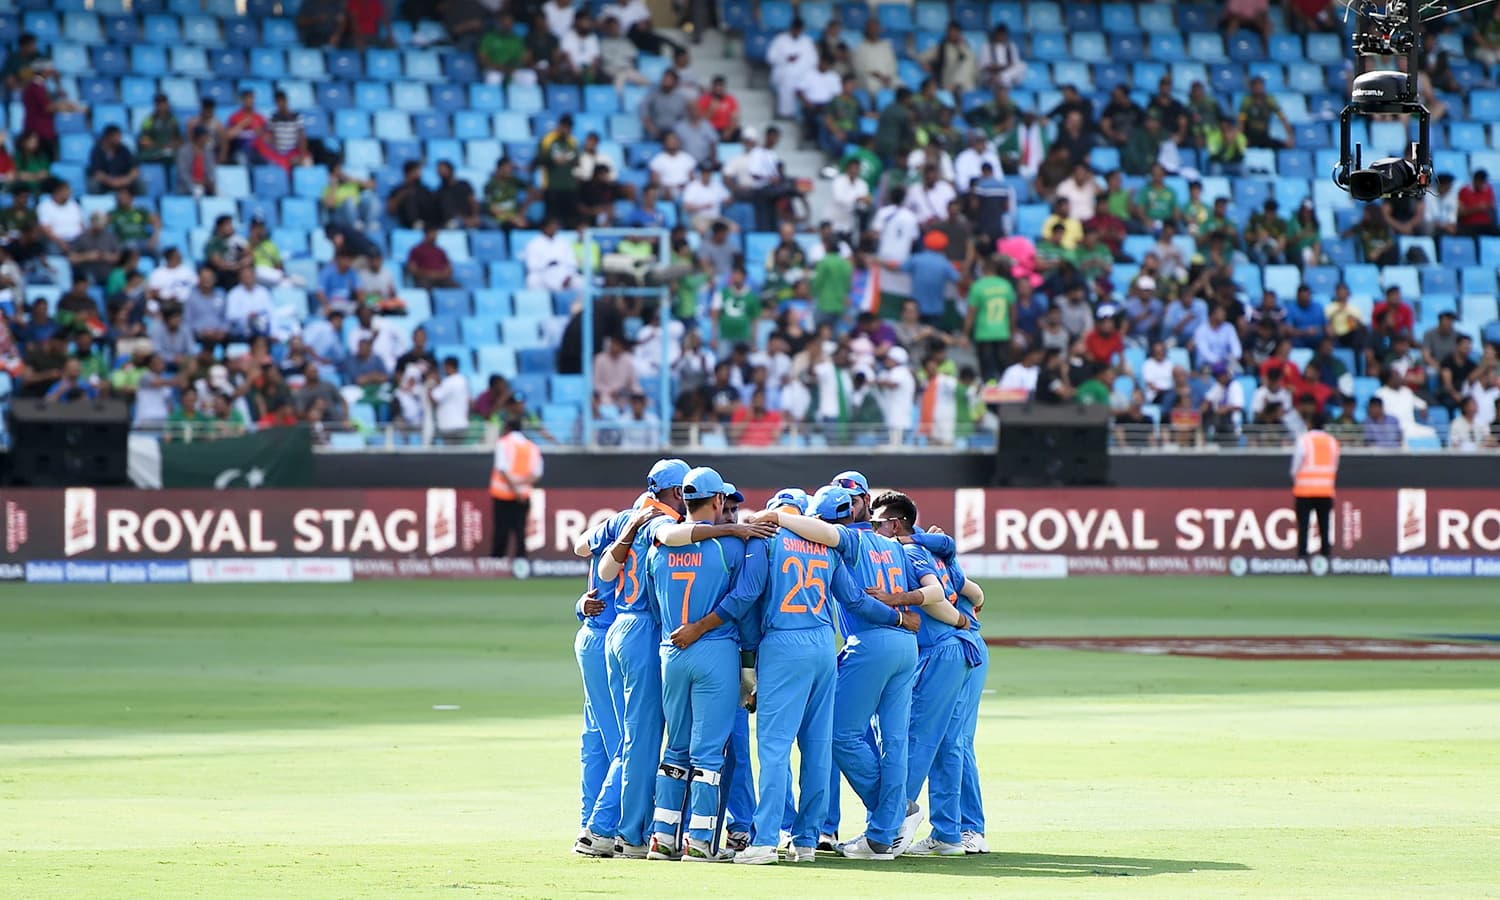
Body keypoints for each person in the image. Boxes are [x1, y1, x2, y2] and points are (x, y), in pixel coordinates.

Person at [759, 472, 951, 859]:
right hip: (905, 646)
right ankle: (882, 836)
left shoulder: (846, 540)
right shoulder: (893, 545)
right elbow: (938, 590)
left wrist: (778, 518)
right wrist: (902, 607)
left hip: (870, 643)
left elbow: (840, 566)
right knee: (893, 740)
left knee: (837, 734)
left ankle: (892, 813)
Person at [490, 418, 544, 560]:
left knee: (501, 531)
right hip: (523, 496)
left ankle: (497, 563)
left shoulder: (503, 443)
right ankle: (521, 563)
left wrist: (514, 488)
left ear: (507, 428)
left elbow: (502, 470)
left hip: (502, 495)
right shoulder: (532, 447)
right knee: (520, 530)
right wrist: (520, 487)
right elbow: (537, 474)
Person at [1290, 413, 1339, 558]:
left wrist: (1297, 480)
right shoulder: (1332, 442)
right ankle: (1325, 557)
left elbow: (1295, 466)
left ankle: (1302, 557)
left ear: (1310, 423)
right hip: (1325, 491)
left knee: (1303, 526)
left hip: (1304, 491)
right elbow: (1334, 466)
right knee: (1325, 526)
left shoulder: (1304, 440)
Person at [86, 125, 140, 195]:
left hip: (124, 181)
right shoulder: (97, 151)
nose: (119, 138)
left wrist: (125, 180)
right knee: (93, 183)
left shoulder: (124, 150)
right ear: (108, 137)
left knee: (139, 182)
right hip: (105, 183)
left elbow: (134, 170)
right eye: (117, 136)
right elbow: (97, 173)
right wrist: (111, 181)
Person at [428, 355, 470, 443]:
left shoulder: (449, 381)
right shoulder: (463, 380)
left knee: (451, 455)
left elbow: (434, 398)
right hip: (461, 425)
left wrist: (430, 384)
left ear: (448, 366)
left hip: (450, 426)